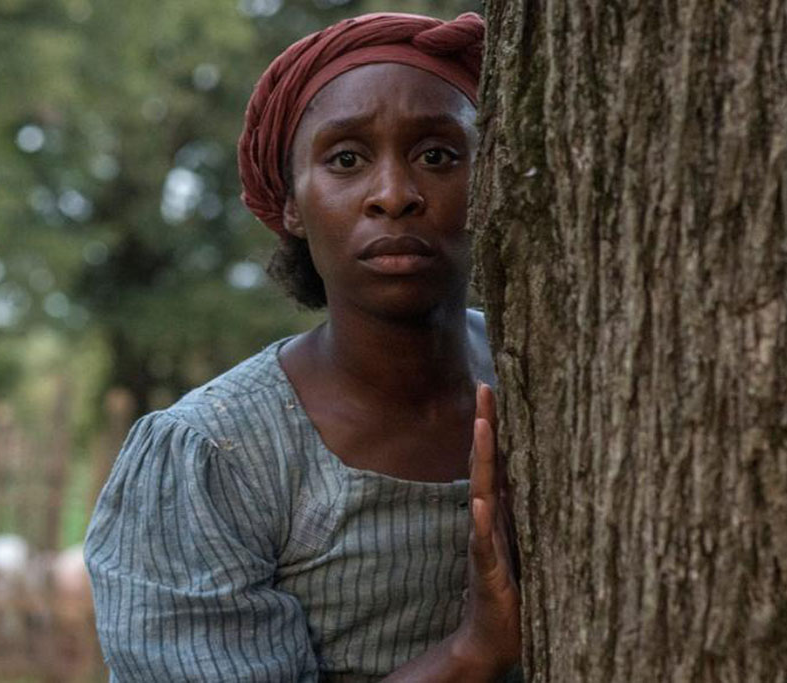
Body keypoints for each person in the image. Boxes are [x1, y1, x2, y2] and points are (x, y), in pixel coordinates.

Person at [85, 12, 520, 682]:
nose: (394, 195)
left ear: (486, 179)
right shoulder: (214, 455)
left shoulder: (538, 376)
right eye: (346, 159)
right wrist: (472, 651)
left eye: (438, 155)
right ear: (291, 201)